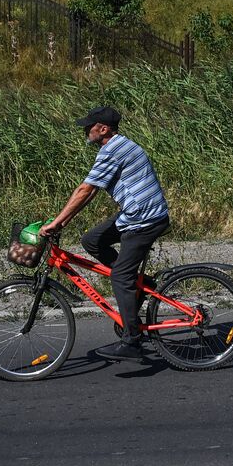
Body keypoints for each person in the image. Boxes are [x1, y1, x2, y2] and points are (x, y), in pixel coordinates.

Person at [40, 106, 170, 362]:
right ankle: (139, 284)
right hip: (136, 214)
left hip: (145, 219)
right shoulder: (115, 147)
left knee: (120, 277)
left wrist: (57, 222)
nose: (85, 131)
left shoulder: (113, 150)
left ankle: (132, 340)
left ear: (104, 129)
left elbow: (85, 190)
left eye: (89, 127)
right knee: (92, 240)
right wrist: (63, 220)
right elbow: (90, 191)